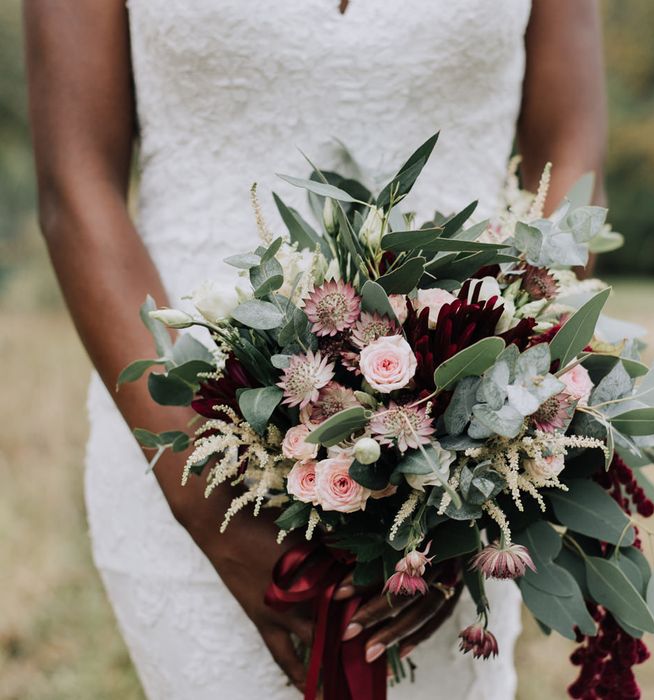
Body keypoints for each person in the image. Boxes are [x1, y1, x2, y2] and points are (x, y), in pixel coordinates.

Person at [24, 1, 606, 698]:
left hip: (464, 455)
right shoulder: (199, 489)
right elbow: (75, 180)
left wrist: (495, 424)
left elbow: (570, 151)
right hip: (186, 433)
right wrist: (212, 513)